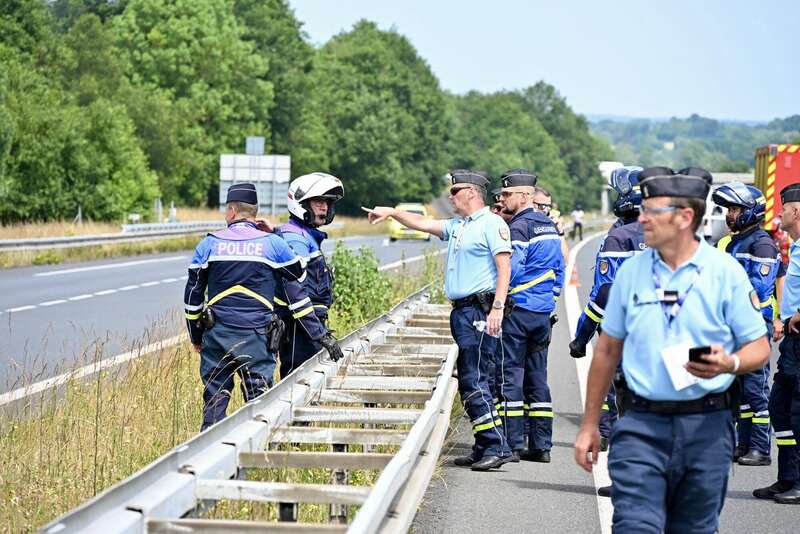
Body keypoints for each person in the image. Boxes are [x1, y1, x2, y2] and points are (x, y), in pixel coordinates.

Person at [575, 167, 770, 533]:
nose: (642, 217)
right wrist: (588, 425)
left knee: (693, 528)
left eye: (652, 211)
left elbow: (759, 345)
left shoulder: (724, 272)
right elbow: (606, 351)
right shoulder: (631, 272)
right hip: (640, 425)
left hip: (706, 428)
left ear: (684, 217)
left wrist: (731, 363)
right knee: (634, 525)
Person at [364, 170, 513, 470]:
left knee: (475, 377)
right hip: (461, 311)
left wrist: (497, 308)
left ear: (472, 192)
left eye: (455, 190)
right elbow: (420, 222)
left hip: (480, 311)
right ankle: (485, 445)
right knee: (471, 376)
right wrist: (392, 211)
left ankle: (496, 445)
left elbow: (504, 268)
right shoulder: (458, 226)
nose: (450, 196)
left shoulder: (491, 224)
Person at [183, 183, 343, 431]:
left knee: (214, 404)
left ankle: (209, 461)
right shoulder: (273, 245)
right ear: (254, 212)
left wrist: (196, 335)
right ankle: (257, 458)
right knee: (259, 410)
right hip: (257, 339)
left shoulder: (209, 244)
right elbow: (298, 278)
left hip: (216, 338)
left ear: (232, 210)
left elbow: (192, 299)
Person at [569, 165, 649, 471]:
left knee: (622, 402)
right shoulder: (676, 237)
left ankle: (625, 476)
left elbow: (604, 295)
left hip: (622, 336)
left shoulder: (620, 237)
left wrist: (582, 336)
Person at [496, 169, 564, 462]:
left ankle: (511, 444)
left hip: (519, 311)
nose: (503, 199)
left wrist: (499, 297)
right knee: (538, 379)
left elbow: (513, 269)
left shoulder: (519, 228)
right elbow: (559, 268)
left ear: (525, 196)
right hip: (542, 313)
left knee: (510, 376)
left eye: (508, 194)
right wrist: (549, 300)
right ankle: (541, 445)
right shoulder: (549, 225)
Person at [712, 181, 779, 466]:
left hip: (753, 329)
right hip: (734, 326)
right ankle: (743, 443)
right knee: (738, 391)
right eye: (728, 209)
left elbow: (759, 290)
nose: (729, 215)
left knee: (756, 390)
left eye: (735, 209)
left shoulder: (761, 244)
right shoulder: (737, 242)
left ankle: (761, 449)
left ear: (752, 211)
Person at [753, 183, 800, 504]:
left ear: (796, 211)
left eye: (783, 208)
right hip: (793, 344)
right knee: (780, 408)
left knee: (798, 413)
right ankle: (788, 478)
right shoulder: (796, 247)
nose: (778, 213)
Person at [274, 172, 345, 378]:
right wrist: (320, 334)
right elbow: (294, 291)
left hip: (305, 329)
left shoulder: (304, 235)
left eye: (327, 203)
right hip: (299, 331)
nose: (324, 207)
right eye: (318, 202)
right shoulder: (296, 239)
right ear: (301, 204)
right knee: (299, 387)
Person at [533, 186, 569, 261]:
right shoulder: (523, 225)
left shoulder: (552, 225)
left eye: (549, 206)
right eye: (542, 206)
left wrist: (560, 232)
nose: (546, 210)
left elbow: (565, 260)